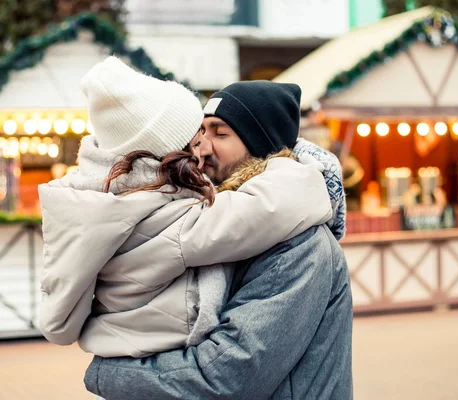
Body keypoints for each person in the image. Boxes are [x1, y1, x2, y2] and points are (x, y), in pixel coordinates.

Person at [38, 57, 334, 358]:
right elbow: (272, 205)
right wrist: (306, 163)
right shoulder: (172, 215)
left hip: (125, 352)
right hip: (160, 362)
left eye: (218, 134)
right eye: (196, 141)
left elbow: (59, 321)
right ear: (168, 154)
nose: (203, 150)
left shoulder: (102, 199)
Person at [84, 81, 354, 399]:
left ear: (261, 143)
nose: (204, 147)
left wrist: (107, 373)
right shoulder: (226, 226)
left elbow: (228, 377)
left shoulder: (298, 244)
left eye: (220, 133)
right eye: (202, 132)